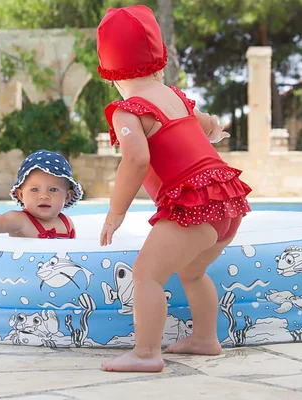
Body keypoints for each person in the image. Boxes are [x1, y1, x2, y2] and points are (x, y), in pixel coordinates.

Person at [96, 5, 252, 373]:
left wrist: (116, 212)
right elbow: (208, 124)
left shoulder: (127, 111)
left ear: (108, 72)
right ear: (159, 61)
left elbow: (135, 162)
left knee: (146, 274)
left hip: (193, 204)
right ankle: (204, 338)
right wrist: (213, 131)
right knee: (192, 272)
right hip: (227, 198)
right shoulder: (176, 97)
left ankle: (147, 353)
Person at [0, 149, 83, 248]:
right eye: (34, 189)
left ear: (68, 196)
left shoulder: (67, 223)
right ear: (21, 195)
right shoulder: (20, 220)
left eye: (53, 190)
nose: (44, 196)